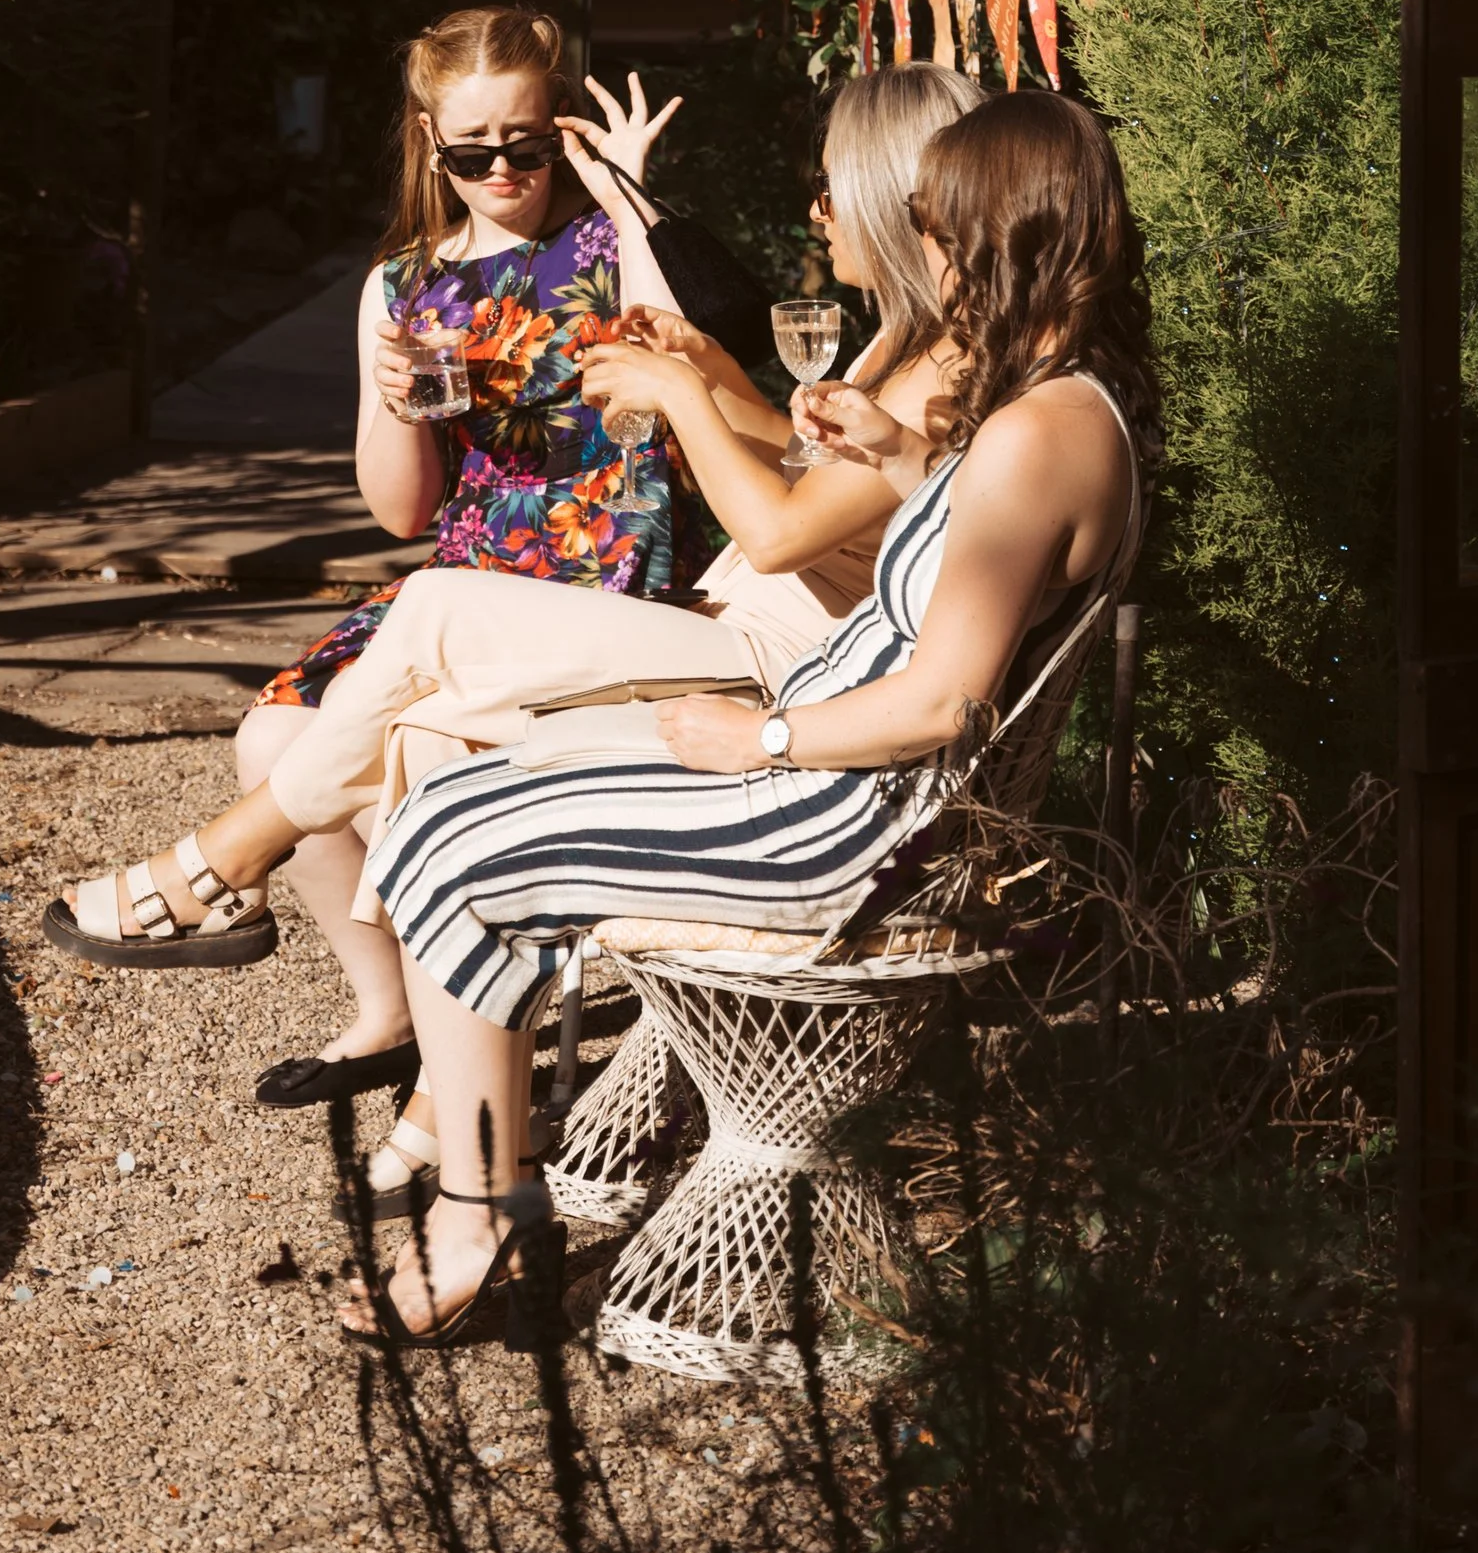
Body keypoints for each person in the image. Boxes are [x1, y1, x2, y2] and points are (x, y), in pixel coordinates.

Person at [45, 57, 979, 1196]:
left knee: (431, 618)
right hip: (729, 617)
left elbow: (784, 529)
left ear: (896, 195)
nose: (816, 207)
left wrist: (678, 362)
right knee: (423, 734)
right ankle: (452, 1107)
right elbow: (790, 467)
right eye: (468, 149)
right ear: (428, 143)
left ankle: (214, 864)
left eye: (833, 186)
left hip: (758, 648)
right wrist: (707, 374)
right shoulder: (894, 346)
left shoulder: (937, 368)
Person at [344, 91, 1160, 1344]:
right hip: (844, 787)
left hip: (839, 824)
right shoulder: (1060, 406)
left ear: (1001, 238)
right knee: (449, 802)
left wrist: (759, 739)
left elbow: (943, 697)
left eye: (939, 228)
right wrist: (890, 453)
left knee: (446, 845)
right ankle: (487, 1191)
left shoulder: (1038, 435)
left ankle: (478, 1209)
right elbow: (972, 546)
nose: (924, 253)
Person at [41, 5, 764, 1069]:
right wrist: (392, 399)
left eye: (526, 141)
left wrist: (624, 188)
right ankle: (388, 1013)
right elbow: (399, 512)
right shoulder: (408, 283)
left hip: (618, 562)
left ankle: (459, 1034)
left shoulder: (618, 239)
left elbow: (690, 380)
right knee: (271, 739)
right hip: (473, 565)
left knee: (418, 761)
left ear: (561, 121)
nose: (504, 168)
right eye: (474, 151)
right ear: (432, 141)